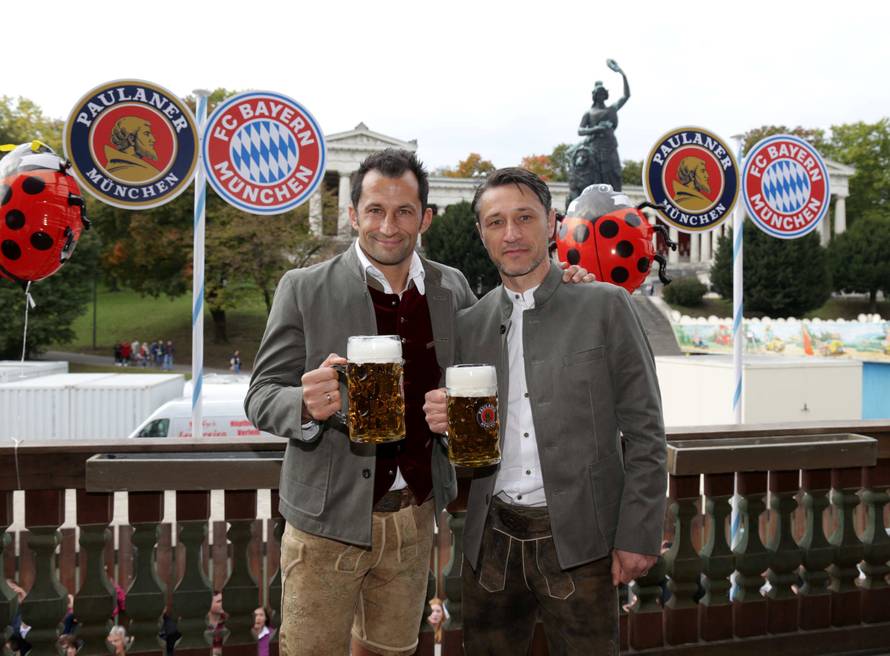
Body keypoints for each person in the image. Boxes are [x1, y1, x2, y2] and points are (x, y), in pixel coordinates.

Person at [245, 149, 592, 656]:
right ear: (352, 214)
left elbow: (499, 352)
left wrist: (566, 286)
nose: (389, 225)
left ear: (425, 218)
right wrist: (302, 403)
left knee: (393, 651)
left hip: (414, 515)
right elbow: (260, 396)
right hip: (326, 523)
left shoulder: (452, 287)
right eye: (375, 210)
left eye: (404, 211)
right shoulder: (302, 289)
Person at [424, 167, 667, 654]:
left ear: (552, 223)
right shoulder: (469, 326)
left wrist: (639, 533)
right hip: (490, 543)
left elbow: (645, 430)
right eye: (495, 222)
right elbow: (467, 446)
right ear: (481, 234)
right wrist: (446, 429)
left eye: (524, 218)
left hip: (582, 542)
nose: (511, 234)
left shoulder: (605, 306)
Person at [104, 116, 160, 183]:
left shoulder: (116, 166)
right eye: (146, 134)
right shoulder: (131, 171)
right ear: (131, 139)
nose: (153, 140)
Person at [206, 590, 228, 656]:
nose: (222, 604)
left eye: (222, 601)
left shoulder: (228, 621)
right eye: (218, 601)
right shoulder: (202, 622)